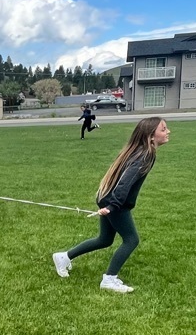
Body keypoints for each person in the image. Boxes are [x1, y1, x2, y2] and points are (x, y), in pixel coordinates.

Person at [52, 117, 170, 293]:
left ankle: (63, 257)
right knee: (131, 240)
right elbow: (125, 182)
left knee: (105, 239)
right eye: (163, 129)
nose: (168, 131)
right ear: (150, 136)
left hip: (108, 198)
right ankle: (109, 279)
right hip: (115, 202)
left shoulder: (140, 151)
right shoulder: (145, 155)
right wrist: (113, 206)